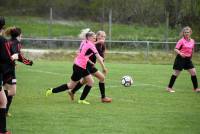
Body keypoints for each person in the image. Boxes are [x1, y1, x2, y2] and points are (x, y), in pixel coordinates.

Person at [46, 31, 108, 104]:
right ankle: (81, 99)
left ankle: (52, 90)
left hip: (77, 65)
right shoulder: (91, 45)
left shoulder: (84, 42)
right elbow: (98, 57)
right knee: (88, 82)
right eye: (94, 37)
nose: (95, 39)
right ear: (89, 38)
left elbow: (83, 54)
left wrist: (90, 62)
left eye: (95, 38)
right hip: (81, 67)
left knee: (71, 85)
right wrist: (104, 68)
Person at [69, 31, 112, 103]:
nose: (103, 38)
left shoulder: (102, 45)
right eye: (101, 36)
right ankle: (102, 98)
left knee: (86, 80)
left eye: (104, 37)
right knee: (94, 80)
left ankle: (72, 91)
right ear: (97, 37)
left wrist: (102, 63)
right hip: (85, 65)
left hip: (90, 65)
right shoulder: (93, 43)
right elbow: (85, 48)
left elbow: (101, 57)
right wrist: (103, 68)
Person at [3, 27, 33, 116]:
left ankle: (4, 111)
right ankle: (4, 110)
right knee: (12, 92)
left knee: (6, 89)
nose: (22, 35)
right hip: (8, 70)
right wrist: (28, 62)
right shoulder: (16, 43)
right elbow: (17, 55)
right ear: (18, 35)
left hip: (4, 69)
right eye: (21, 34)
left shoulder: (8, 41)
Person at [166, 26, 200, 93]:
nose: (187, 33)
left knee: (193, 72)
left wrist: (190, 56)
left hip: (188, 59)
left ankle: (196, 88)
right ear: (183, 33)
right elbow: (175, 49)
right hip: (180, 59)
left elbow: (192, 49)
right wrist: (180, 53)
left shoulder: (192, 41)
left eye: (188, 32)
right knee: (176, 73)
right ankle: (169, 88)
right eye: (185, 32)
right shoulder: (181, 41)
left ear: (190, 33)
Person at [0, 16, 11, 134]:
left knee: (3, 100)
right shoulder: (2, 40)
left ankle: (2, 130)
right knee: (3, 101)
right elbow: (6, 58)